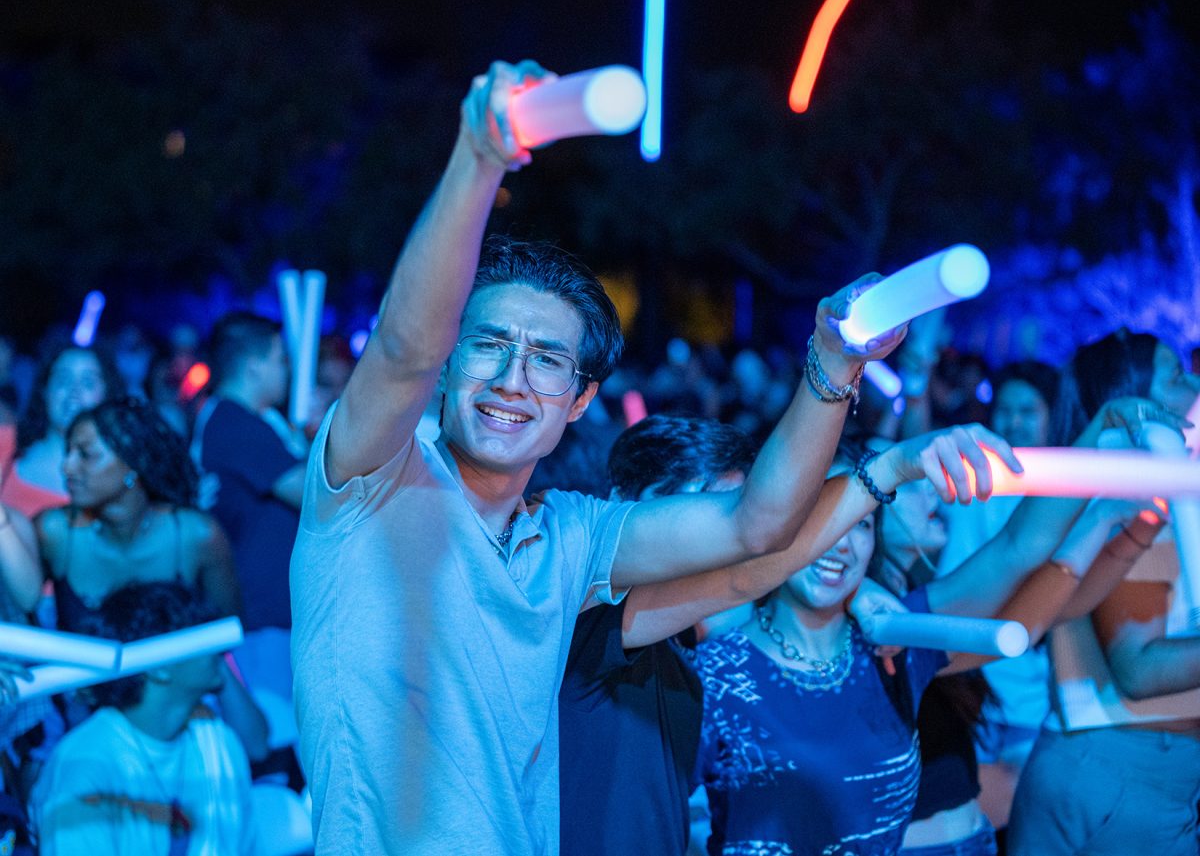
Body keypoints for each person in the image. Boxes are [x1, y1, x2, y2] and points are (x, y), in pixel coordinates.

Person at [289, 59, 949, 856]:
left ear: (578, 399)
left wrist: (834, 368)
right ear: (450, 367)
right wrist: (480, 156)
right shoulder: (370, 484)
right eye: (489, 345)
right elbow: (402, 348)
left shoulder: (568, 539)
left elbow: (756, 527)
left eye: (546, 360)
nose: (510, 380)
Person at [690, 389, 1170, 856]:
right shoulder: (716, 674)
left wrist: (1096, 437)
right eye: (822, 522)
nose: (840, 543)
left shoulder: (892, 645)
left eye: (859, 525)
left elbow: (1017, 549)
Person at [558, 416, 1019, 856]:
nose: (708, 542)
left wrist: (857, 592)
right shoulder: (595, 623)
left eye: (724, 520)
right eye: (691, 511)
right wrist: (890, 465)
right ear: (621, 503)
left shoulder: (691, 642)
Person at [1008, 330, 1200, 856]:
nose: (1195, 383)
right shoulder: (1130, 496)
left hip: (1134, 773)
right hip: (1119, 771)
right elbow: (1139, 668)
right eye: (1176, 375)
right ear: (1133, 395)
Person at [30, 581, 256, 855]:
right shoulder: (84, 765)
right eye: (198, 632)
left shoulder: (217, 742)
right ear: (159, 668)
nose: (217, 648)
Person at [937, 360, 1060, 839]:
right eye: (1004, 410)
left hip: (1038, 701)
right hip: (976, 694)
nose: (1014, 422)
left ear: (1053, 415)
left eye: (1028, 410)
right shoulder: (977, 482)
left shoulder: (1066, 491)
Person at [3, 397, 243, 629]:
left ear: (132, 463)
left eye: (86, 455)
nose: (67, 467)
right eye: (69, 453)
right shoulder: (56, 532)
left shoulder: (196, 535)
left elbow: (228, 631)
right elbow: (19, 610)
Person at [195, 312, 304, 634]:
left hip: (265, 612)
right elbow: (312, 492)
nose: (287, 370)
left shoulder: (241, 420)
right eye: (280, 360)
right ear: (253, 366)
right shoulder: (235, 423)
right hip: (260, 614)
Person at [1, 345, 122, 518]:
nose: (74, 392)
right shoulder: (6, 443)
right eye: (64, 380)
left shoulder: (119, 472)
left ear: (107, 394)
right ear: (45, 390)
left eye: (87, 383)